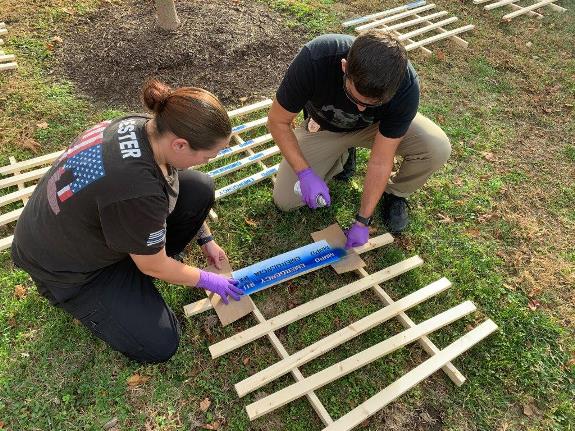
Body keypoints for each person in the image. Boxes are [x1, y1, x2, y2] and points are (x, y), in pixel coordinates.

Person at [11, 79, 244, 363]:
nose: (209, 160)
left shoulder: (145, 125)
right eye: (207, 155)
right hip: (67, 268)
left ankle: (136, 256)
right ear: (180, 144)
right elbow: (152, 265)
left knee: (198, 187)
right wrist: (207, 279)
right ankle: (102, 287)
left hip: (82, 227)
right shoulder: (136, 192)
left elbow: (168, 184)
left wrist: (205, 237)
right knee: (159, 342)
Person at [268, 31, 451, 247]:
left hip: (375, 128)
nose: (361, 108)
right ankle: (344, 153)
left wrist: (363, 220)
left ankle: (395, 193)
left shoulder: (405, 85)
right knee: (286, 200)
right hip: (326, 127)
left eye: (373, 103)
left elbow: (381, 159)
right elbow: (277, 122)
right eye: (354, 97)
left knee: (436, 147)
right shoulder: (316, 58)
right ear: (345, 67)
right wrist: (305, 173)